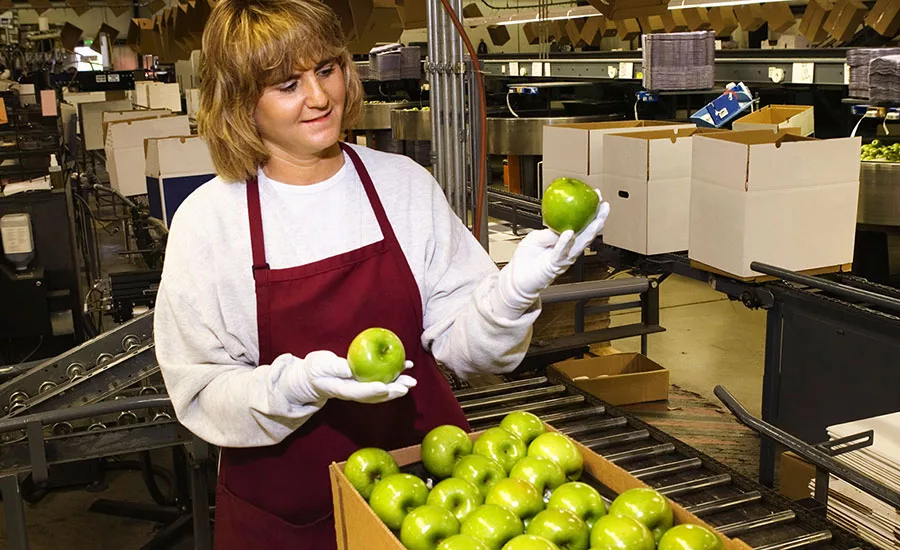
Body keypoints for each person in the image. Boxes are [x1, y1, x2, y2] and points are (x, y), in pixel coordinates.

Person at [153, 0, 610, 547]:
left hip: (428, 489)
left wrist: (512, 294)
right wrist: (296, 385)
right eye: (287, 84)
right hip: (287, 510)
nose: (320, 97)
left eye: (326, 69)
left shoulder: (402, 186)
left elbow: (476, 358)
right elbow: (200, 392)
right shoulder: (210, 222)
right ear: (241, 101)